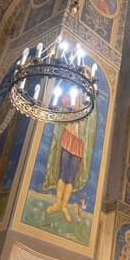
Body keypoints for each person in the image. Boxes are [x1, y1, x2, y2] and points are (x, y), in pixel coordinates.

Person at [43, 93, 96, 222]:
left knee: (71, 175)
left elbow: (90, 124)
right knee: (63, 170)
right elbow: (65, 102)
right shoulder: (75, 94)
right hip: (68, 135)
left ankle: (64, 206)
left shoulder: (90, 102)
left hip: (79, 142)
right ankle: (57, 203)